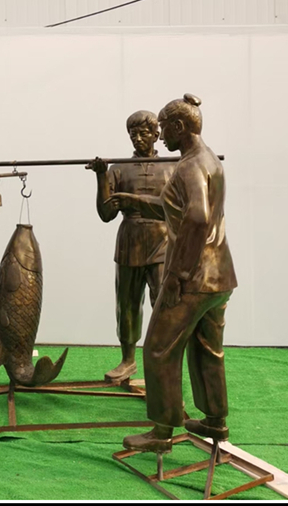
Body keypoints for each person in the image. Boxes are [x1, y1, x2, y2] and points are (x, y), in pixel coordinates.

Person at [109, 94, 237, 454]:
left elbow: (196, 218)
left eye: (163, 128)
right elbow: (177, 209)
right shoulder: (209, 160)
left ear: (179, 127)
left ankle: (162, 431)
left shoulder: (189, 166)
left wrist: (178, 274)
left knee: (158, 348)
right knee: (207, 348)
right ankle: (215, 420)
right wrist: (134, 201)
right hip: (219, 275)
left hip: (193, 278)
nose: (160, 135)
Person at [88, 111, 174, 382]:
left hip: (162, 242)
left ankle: (163, 361)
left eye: (144, 133)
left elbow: (178, 209)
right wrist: (101, 176)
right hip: (129, 243)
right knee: (127, 305)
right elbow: (106, 214)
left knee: (164, 304)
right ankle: (128, 360)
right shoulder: (119, 169)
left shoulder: (173, 167)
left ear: (156, 135)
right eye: (133, 134)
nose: (138, 139)